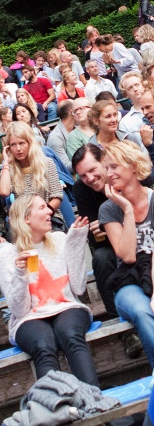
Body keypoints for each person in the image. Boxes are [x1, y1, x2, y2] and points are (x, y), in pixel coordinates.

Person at [0, 194, 99, 386]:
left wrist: (75, 242)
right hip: (29, 317)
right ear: (27, 218)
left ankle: (95, 399)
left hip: (66, 306)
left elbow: (78, 287)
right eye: (42, 208)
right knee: (43, 345)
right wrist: (20, 272)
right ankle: (56, 408)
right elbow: (20, 310)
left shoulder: (59, 239)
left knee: (70, 334)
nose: (49, 211)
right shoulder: (7, 254)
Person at [72, 143, 143, 358]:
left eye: (93, 170)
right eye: (83, 175)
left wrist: (106, 224)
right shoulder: (81, 190)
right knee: (101, 259)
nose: (90, 178)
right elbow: (96, 235)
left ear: (104, 162)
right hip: (111, 247)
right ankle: (123, 330)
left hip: (144, 239)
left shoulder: (125, 175)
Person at [98, 141, 154, 367]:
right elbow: (128, 256)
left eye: (114, 167)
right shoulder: (109, 209)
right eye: (107, 168)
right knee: (142, 312)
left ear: (132, 166)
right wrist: (128, 211)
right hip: (128, 282)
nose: (109, 174)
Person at [0, 121, 63, 220]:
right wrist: (6, 163)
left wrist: (39, 215)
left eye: (22, 143)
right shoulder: (9, 170)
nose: (18, 148)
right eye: (13, 145)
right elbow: (3, 192)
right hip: (24, 222)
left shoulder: (47, 163)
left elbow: (57, 198)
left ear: (30, 143)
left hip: (49, 216)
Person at [47, 100, 75, 173]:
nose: (79, 112)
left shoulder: (79, 128)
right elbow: (65, 167)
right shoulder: (55, 138)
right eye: (77, 109)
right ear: (72, 112)